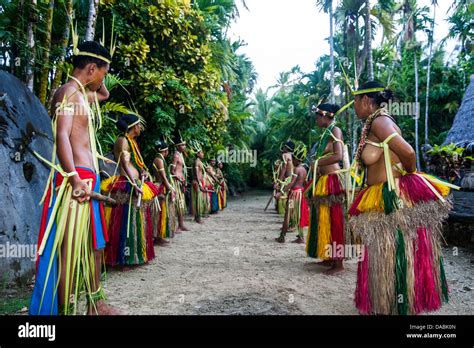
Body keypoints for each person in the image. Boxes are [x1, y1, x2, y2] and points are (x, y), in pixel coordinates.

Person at [349, 81, 456, 315]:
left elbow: (408, 152)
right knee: (387, 251)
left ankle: (396, 305)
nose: (354, 107)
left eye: (355, 101)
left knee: (393, 250)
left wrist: (411, 175)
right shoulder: (374, 122)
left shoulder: (380, 121)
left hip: (391, 194)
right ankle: (391, 303)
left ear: (366, 101)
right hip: (381, 194)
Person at [30, 41, 119, 315]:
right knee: (70, 251)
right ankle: (66, 310)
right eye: (103, 71)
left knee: (95, 244)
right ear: (92, 68)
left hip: (87, 180)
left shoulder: (82, 94)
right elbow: (62, 136)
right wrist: (72, 178)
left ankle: (95, 303)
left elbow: (103, 95)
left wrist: (101, 69)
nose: (104, 79)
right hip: (76, 182)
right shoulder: (68, 94)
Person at [101, 114, 158, 267]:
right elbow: (125, 165)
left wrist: (142, 172)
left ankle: (135, 255)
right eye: (139, 125)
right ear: (133, 126)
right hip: (126, 184)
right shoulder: (123, 140)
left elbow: (133, 163)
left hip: (132, 183)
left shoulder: (131, 142)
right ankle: (123, 258)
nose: (140, 128)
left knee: (135, 220)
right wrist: (134, 184)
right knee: (125, 221)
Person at [305, 103, 348, 275]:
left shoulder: (335, 130)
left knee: (335, 218)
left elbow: (338, 155)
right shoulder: (326, 134)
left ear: (325, 115)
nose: (316, 119)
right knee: (326, 219)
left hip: (333, 181)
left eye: (317, 115)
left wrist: (317, 163)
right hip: (324, 180)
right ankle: (330, 257)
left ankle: (339, 263)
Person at [276, 142, 309, 244]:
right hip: (300, 194)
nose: (291, 161)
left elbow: (291, 183)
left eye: (293, 158)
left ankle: (282, 236)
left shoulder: (296, 169)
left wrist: (281, 192)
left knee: (287, 215)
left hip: (294, 195)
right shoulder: (304, 170)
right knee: (298, 216)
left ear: (296, 159)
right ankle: (301, 237)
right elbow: (305, 183)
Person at [152, 139, 176, 243]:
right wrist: (170, 187)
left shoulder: (159, 158)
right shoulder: (159, 160)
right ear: (165, 151)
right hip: (160, 187)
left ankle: (159, 235)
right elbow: (163, 176)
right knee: (159, 212)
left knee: (161, 211)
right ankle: (157, 237)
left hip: (162, 186)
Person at [170, 133, 189, 231]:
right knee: (177, 203)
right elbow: (172, 170)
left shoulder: (181, 155)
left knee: (181, 203)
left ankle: (181, 224)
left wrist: (183, 180)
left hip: (181, 182)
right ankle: (175, 226)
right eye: (182, 145)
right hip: (176, 183)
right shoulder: (176, 155)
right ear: (177, 146)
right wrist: (179, 179)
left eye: (184, 144)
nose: (184, 146)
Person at [274, 141, 295, 216]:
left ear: (286, 147)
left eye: (284, 147)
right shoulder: (294, 155)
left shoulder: (285, 155)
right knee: (291, 196)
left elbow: (284, 168)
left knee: (284, 196)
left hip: (286, 180)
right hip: (294, 178)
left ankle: (284, 213)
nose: (283, 148)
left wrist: (278, 181)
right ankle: (291, 213)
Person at [190, 141, 207, 223]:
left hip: (197, 182)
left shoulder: (199, 161)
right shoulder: (197, 161)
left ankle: (197, 217)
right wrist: (199, 182)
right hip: (196, 182)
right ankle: (198, 218)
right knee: (197, 200)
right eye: (201, 152)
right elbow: (196, 173)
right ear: (197, 154)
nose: (203, 154)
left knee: (198, 200)